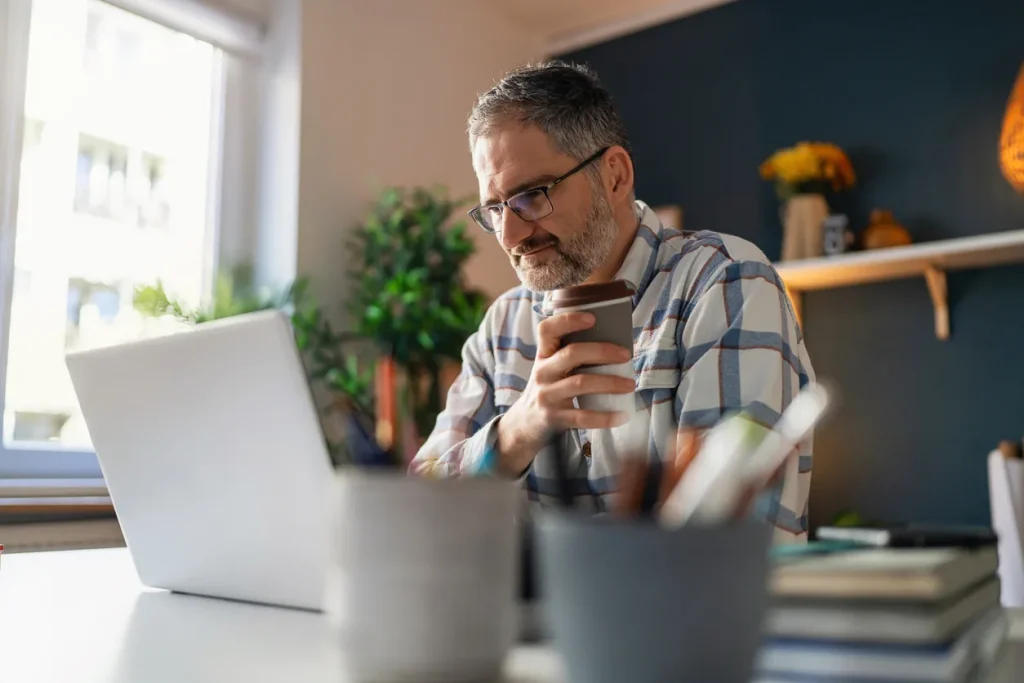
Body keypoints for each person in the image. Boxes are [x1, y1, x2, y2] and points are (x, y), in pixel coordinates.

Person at [410, 61, 815, 542]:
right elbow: (415, 510)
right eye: (494, 210)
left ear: (616, 176)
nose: (510, 235)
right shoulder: (503, 327)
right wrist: (519, 428)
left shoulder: (724, 280)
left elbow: (723, 535)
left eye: (530, 197)